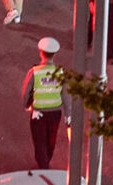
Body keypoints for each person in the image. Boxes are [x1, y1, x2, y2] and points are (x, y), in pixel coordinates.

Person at [21, 37, 71, 170]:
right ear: (54, 54)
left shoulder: (34, 72)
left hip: (38, 113)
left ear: (41, 53)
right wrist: (68, 115)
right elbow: (66, 96)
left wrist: (27, 106)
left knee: (39, 141)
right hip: (55, 113)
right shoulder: (60, 72)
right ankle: (46, 162)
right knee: (50, 141)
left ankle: (43, 167)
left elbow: (26, 92)